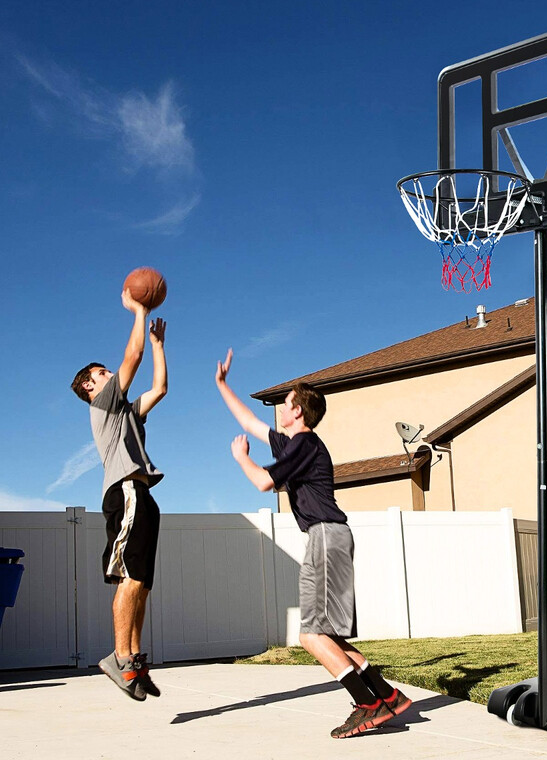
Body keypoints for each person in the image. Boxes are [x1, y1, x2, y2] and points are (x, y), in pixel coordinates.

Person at [215, 349, 411, 738]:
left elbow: (263, 482)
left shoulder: (303, 445)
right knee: (330, 635)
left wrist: (241, 458)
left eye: (285, 405)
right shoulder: (294, 445)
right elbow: (249, 421)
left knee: (310, 635)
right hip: (331, 536)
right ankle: (389, 695)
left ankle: (367, 705)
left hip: (325, 536)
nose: (279, 411)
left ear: (298, 412)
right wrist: (222, 385)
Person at [70, 289, 167, 701]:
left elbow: (159, 387)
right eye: (102, 373)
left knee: (141, 584)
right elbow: (133, 358)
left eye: (107, 372)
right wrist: (139, 311)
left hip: (142, 493)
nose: (111, 374)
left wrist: (160, 345)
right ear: (91, 388)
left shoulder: (126, 410)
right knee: (129, 580)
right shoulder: (104, 404)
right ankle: (119, 658)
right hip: (125, 491)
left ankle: (134, 659)